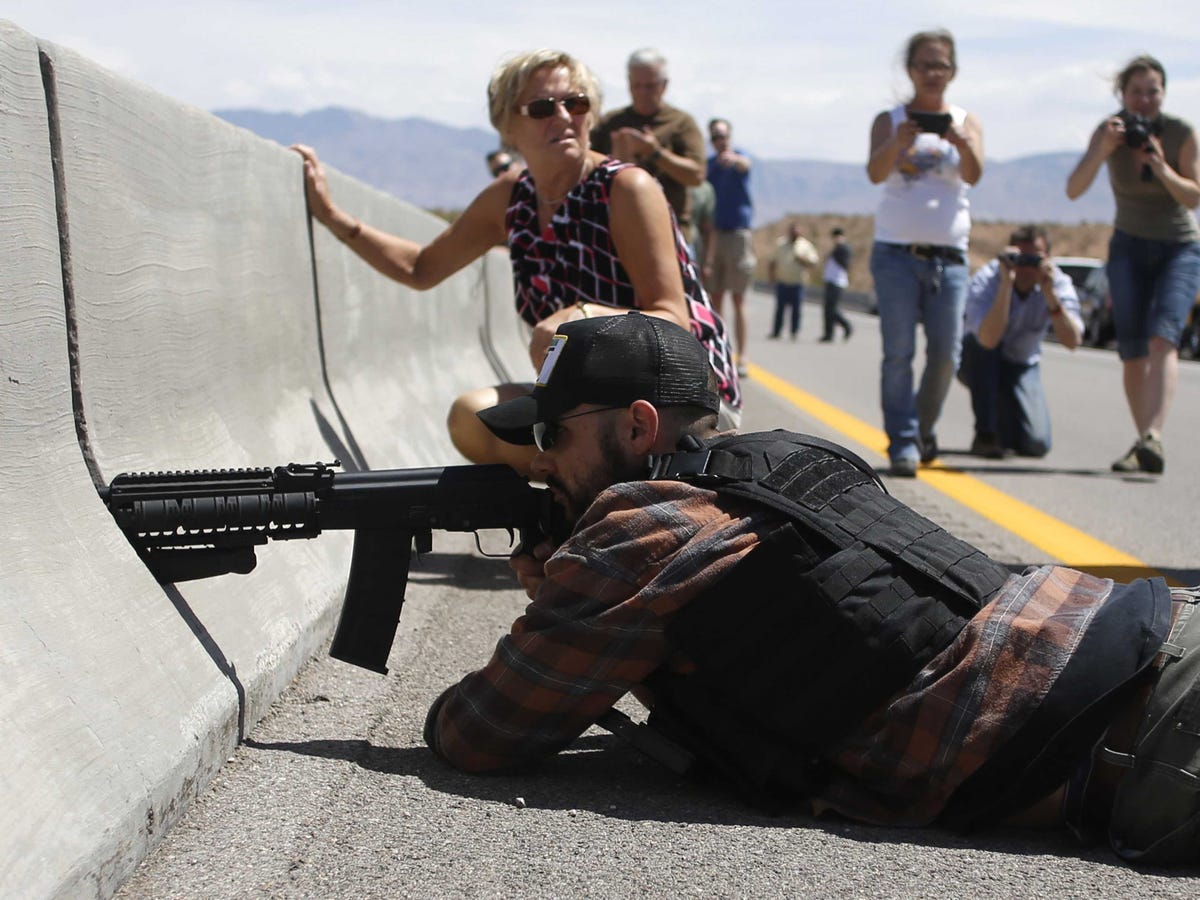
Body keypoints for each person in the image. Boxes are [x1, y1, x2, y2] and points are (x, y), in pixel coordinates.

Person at [425, 310, 1200, 866]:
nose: (541, 461)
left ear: (636, 426)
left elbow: (479, 732)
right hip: (1154, 633)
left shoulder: (640, 530)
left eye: (553, 434)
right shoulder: (789, 457)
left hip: (1155, 734)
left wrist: (570, 595)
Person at [292, 49, 740, 474]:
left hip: (678, 400)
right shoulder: (511, 198)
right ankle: (582, 492)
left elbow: (673, 319)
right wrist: (332, 217)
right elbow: (420, 268)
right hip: (593, 405)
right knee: (471, 418)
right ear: (507, 126)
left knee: (571, 410)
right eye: (543, 108)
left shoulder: (626, 189)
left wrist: (583, 319)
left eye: (576, 103)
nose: (563, 117)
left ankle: (594, 495)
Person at [1066, 54, 1200, 475]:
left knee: (1164, 339)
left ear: (1164, 93)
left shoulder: (1180, 133)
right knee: (1133, 350)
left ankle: (1152, 436)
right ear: (1122, 95)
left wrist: (1161, 167)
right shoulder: (1110, 132)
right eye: (1136, 92)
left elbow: (1193, 196)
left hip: (1179, 247)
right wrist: (1103, 149)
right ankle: (1144, 440)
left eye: (1152, 91)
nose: (1144, 100)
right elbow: (1074, 189)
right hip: (1128, 245)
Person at [866, 29, 984, 477]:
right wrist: (897, 142)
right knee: (898, 353)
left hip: (949, 257)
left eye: (941, 65)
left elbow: (974, 174)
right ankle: (903, 441)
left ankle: (921, 429)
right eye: (925, 65)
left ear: (953, 71)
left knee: (946, 355)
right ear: (910, 69)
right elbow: (875, 173)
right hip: (895, 253)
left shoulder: (967, 121)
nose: (933, 73)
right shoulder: (889, 120)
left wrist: (963, 143)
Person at [959, 225, 1084, 459]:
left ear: (1048, 259)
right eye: (1021, 259)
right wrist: (1005, 285)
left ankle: (1004, 428)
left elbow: (1073, 341)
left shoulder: (1057, 282)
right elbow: (987, 340)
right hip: (977, 360)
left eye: (1034, 260)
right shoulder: (989, 278)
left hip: (1021, 365)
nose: (1027, 267)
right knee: (985, 351)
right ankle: (985, 434)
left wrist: (1050, 295)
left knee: (1037, 443)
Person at [590, 49, 706, 239]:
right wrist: (614, 162)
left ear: (664, 85)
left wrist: (656, 153)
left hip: (670, 232)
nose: (643, 93)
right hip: (618, 232)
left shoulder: (681, 123)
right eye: (637, 86)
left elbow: (696, 176)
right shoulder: (610, 123)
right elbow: (585, 171)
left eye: (650, 86)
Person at [705, 118, 755, 377]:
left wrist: (734, 160)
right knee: (715, 298)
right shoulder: (710, 166)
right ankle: (719, 352)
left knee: (738, 298)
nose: (720, 141)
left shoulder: (740, 159)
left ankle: (742, 356)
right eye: (715, 137)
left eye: (723, 136)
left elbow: (746, 165)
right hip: (715, 235)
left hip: (737, 234)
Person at [767, 222, 818, 340]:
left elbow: (813, 262)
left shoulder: (805, 245)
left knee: (796, 309)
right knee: (780, 308)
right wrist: (771, 276)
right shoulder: (781, 244)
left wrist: (802, 259)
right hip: (783, 281)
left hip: (798, 283)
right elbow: (773, 261)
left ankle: (794, 331)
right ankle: (776, 331)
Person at [820, 226, 853, 342]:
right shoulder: (836, 249)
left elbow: (845, 264)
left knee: (832, 309)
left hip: (838, 282)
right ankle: (828, 334)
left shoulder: (844, 249)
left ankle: (846, 326)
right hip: (830, 281)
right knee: (827, 309)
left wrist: (839, 247)